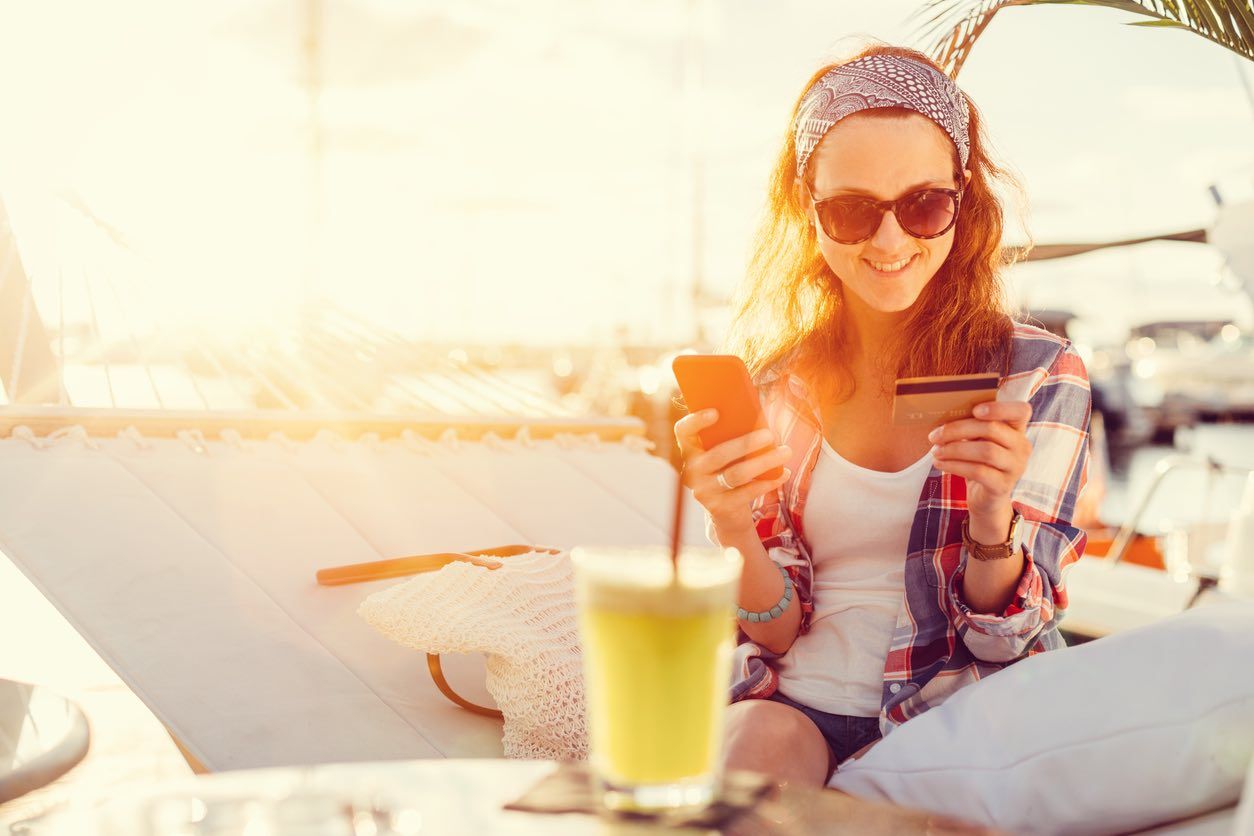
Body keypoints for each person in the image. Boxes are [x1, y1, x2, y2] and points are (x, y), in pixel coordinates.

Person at [673, 44, 1091, 789]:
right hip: (789, 706)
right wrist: (733, 528)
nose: (891, 241)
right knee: (745, 766)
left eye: (924, 205)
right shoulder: (780, 383)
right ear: (810, 211)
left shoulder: (1037, 375)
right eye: (852, 210)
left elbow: (1006, 641)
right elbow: (775, 629)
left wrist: (993, 518)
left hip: (960, 715)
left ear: (963, 200)